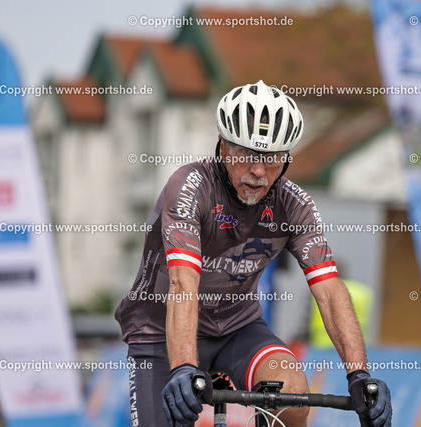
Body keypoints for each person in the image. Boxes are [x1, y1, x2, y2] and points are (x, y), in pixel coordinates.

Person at [115, 80, 392, 427]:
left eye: (272, 158)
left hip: (237, 328)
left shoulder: (294, 206)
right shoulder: (191, 187)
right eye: (247, 154)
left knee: (293, 397)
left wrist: (359, 374)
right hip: (160, 331)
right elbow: (182, 281)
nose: (259, 171)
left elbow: (330, 290)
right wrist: (184, 365)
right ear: (223, 147)